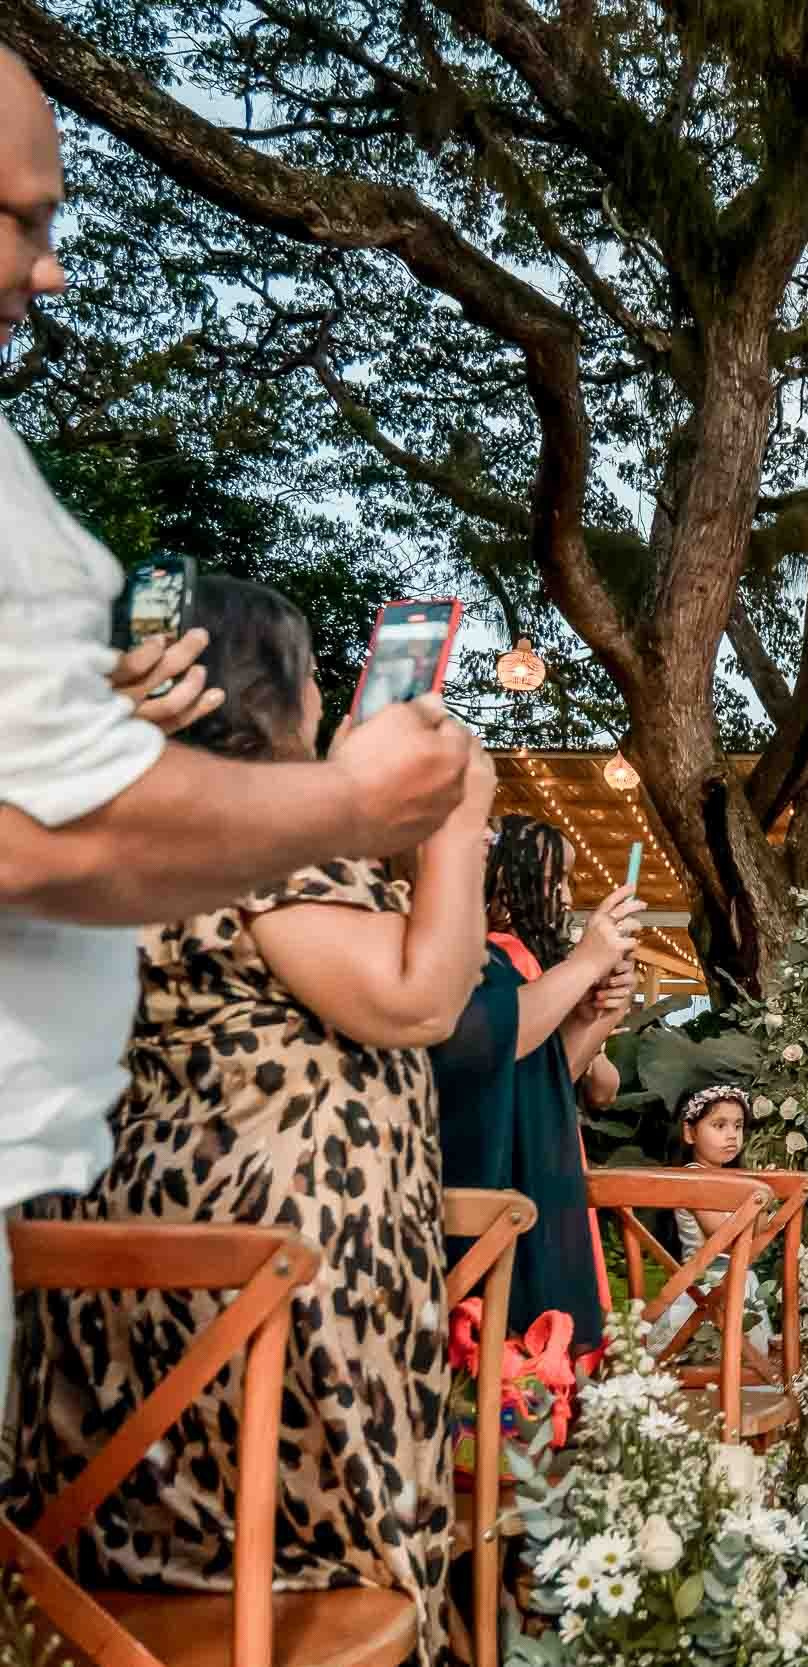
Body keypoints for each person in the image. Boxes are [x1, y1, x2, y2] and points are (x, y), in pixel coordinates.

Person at [0, 55, 469, 1394]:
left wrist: (91, 726)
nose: (49, 272)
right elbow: (415, 997)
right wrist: (406, 811)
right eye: (20, 220)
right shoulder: (260, 848)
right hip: (265, 1278)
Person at [10, 575, 495, 1665]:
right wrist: (459, 822)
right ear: (277, 693)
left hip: (138, 1298)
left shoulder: (107, 834)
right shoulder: (260, 831)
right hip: (275, 1321)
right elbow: (417, 999)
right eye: (312, 675)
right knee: (323, 1564)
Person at [433, 816, 643, 1353]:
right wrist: (587, 963)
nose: (567, 897)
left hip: (537, 1159)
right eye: (557, 880)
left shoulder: (516, 960)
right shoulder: (492, 957)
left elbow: (553, 1078)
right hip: (500, 1171)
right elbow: (508, 1043)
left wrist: (600, 1015)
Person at [653, 1084, 776, 1359]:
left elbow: (755, 1239)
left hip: (738, 1278)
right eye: (719, 1126)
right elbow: (724, 1238)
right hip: (706, 1282)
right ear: (690, 1132)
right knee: (704, 1352)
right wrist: (756, 1201)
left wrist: (762, 1202)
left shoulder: (730, 1179)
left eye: (738, 1126)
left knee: (747, 1356)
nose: (732, 1135)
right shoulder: (694, 1177)